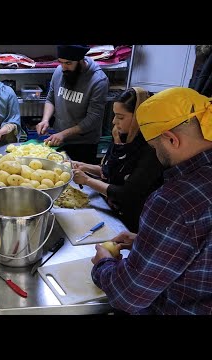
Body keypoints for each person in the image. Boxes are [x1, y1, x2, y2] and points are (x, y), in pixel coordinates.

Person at [91, 87, 212, 315]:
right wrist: (146, 242)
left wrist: (103, 264)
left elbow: (129, 296)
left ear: (171, 139)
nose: (155, 154)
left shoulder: (174, 201)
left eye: (155, 147)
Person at [71, 87, 163, 232]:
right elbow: (111, 170)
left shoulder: (151, 149)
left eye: (120, 117)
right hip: (112, 210)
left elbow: (126, 194)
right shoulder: (122, 136)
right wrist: (84, 166)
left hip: (133, 221)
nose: (114, 121)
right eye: (115, 116)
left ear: (140, 117)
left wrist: (87, 180)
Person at [36, 45, 109, 164]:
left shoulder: (98, 81)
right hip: (59, 138)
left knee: (80, 179)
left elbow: (93, 118)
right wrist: (45, 120)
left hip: (84, 144)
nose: (63, 67)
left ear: (80, 61)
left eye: (68, 63)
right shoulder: (59, 71)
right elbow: (50, 99)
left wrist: (64, 134)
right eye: (61, 62)